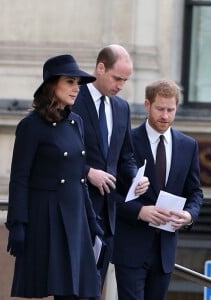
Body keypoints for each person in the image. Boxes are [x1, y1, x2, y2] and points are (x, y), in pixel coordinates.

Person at [6, 54, 104, 300]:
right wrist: (17, 224)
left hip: (76, 216)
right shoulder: (31, 126)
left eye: (78, 84)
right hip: (47, 216)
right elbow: (19, 177)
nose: (76, 89)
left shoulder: (76, 122)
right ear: (52, 84)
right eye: (70, 82)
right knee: (63, 291)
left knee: (86, 292)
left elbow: (80, 178)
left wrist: (92, 222)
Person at [112, 79, 203, 300]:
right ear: (147, 105)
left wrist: (189, 215)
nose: (165, 116)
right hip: (130, 249)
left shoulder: (188, 145)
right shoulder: (127, 140)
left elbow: (195, 192)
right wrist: (139, 212)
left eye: (170, 110)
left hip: (165, 251)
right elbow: (109, 193)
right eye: (160, 109)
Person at [72, 44, 149, 290]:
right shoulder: (73, 98)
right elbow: (56, 154)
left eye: (126, 80)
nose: (121, 86)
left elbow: (125, 156)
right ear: (100, 68)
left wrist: (136, 177)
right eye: (117, 78)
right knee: (72, 286)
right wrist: (87, 173)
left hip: (108, 212)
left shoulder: (121, 107)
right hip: (76, 207)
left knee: (96, 286)